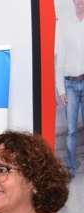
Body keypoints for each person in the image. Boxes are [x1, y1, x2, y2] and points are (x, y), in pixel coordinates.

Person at [55, 0, 84, 176]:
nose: (80, 3)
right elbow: (60, 60)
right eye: (77, 0)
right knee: (71, 130)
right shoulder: (66, 26)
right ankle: (71, 166)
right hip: (70, 85)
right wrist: (61, 89)